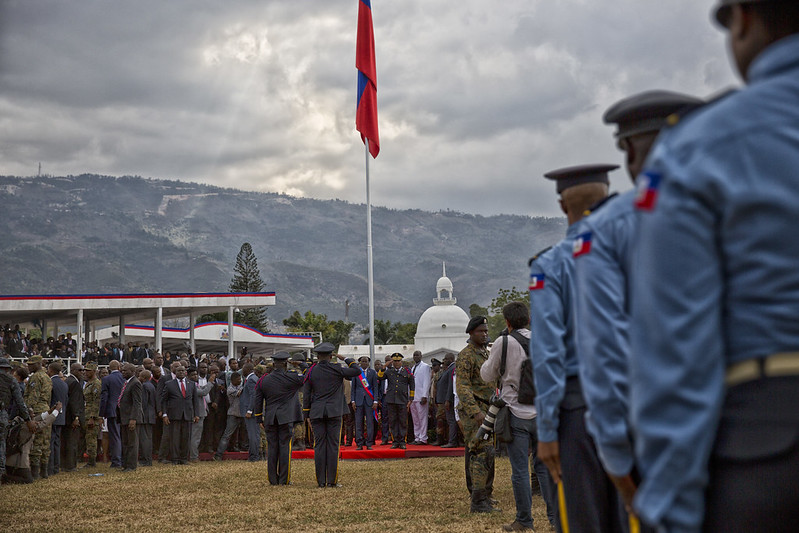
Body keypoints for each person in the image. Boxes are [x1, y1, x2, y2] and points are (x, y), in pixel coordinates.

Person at [628, 2, 799, 531]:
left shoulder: (700, 146)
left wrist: (670, 508)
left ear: (745, 19)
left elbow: (676, 346)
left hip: (772, 442)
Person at [572, 90, 703, 533]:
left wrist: (613, 449)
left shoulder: (607, 230)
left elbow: (604, 345)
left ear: (629, 153)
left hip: (669, 427)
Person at [530, 164, 625, 532]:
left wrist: (549, 429)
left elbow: (549, 352)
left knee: (584, 517)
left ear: (560, 205)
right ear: (608, 197)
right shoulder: (636, 254)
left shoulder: (551, 265)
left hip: (578, 409)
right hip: (635, 401)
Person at [481, 301, 555, 532]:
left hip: (515, 412)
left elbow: (487, 374)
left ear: (507, 322)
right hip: (542, 412)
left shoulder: (504, 342)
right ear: (529, 320)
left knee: (520, 470)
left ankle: (524, 521)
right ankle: (556, 520)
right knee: (544, 468)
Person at [455, 316, 499, 513]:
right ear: (471, 333)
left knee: (484, 452)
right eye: (481, 331)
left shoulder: (484, 353)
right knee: (481, 451)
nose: (485, 334)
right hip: (475, 412)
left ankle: (484, 494)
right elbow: (462, 387)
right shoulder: (466, 355)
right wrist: (475, 412)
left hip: (488, 409)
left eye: (486, 331)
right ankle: (478, 501)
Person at [302, 342, 361, 487]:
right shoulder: (337, 369)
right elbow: (357, 370)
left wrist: (306, 414)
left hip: (316, 412)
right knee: (333, 445)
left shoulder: (311, 371)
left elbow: (307, 393)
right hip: (334, 412)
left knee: (320, 445)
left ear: (317, 356)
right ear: (330, 356)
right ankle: (332, 481)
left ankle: (321, 481)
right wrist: (346, 359)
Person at [252, 351, 304, 485]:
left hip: (270, 417)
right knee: (285, 447)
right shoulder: (291, 378)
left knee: (272, 448)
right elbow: (307, 376)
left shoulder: (264, 379)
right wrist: (301, 364)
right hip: (286, 418)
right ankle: (284, 479)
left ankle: (272, 479)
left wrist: (259, 418)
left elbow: (257, 399)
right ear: (286, 363)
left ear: (274, 364)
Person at [0, 356, 36, 480]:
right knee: (1, 444)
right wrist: (28, 420)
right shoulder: (11, 381)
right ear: (7, 369)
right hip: (2, 414)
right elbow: (20, 403)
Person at [160, 364, 200, 465]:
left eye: (183, 371)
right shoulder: (169, 384)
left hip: (188, 414)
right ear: (175, 373)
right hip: (174, 415)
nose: (181, 372)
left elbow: (195, 400)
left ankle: (184, 459)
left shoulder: (191, 384)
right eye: (179, 371)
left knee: (186, 438)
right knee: (175, 438)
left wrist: (196, 414)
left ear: (186, 373)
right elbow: (163, 400)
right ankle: (175, 459)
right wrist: (164, 414)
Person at [377, 353, 415, 450]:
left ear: (401, 361)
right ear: (392, 362)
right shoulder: (389, 371)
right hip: (391, 400)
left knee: (402, 421)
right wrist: (384, 366)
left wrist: (411, 399)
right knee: (393, 421)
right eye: (395, 361)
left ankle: (402, 441)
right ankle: (395, 441)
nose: (396, 363)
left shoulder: (407, 371)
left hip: (402, 400)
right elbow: (380, 377)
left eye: (398, 361)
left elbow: (412, 385)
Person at [99, 359, 125, 468]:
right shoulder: (124, 378)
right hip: (124, 411)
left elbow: (104, 398)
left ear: (109, 369)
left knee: (115, 436)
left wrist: (101, 413)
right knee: (124, 436)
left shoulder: (106, 379)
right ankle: (123, 459)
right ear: (119, 368)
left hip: (112, 411)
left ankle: (116, 461)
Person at [214, 371, 245, 460]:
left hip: (241, 413)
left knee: (239, 434)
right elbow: (240, 393)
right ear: (232, 380)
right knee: (227, 435)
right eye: (238, 379)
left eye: (240, 379)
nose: (240, 380)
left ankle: (236, 447)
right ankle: (218, 454)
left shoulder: (240, 386)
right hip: (233, 414)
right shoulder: (230, 389)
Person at [117, 362, 142, 472]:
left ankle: (131, 466)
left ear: (132, 372)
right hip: (124, 417)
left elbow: (137, 403)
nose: (123, 372)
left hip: (131, 418)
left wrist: (133, 418)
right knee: (126, 442)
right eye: (122, 370)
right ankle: (126, 465)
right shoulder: (127, 382)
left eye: (125, 370)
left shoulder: (135, 383)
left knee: (132, 443)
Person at [350, 356, 379, 450]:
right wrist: (353, 401)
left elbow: (375, 387)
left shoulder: (373, 372)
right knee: (358, 423)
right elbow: (353, 388)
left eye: (366, 361)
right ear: (360, 363)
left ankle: (369, 443)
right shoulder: (356, 373)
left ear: (368, 363)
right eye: (363, 361)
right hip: (358, 401)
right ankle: (359, 443)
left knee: (370, 423)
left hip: (369, 401)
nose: (364, 363)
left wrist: (375, 400)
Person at [188, 365, 215, 463]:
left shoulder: (194, 384)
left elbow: (202, 388)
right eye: (193, 375)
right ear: (188, 376)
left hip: (202, 412)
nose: (195, 376)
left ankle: (193, 455)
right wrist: (210, 382)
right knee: (195, 437)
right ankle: (193, 457)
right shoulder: (190, 385)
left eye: (196, 374)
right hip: (197, 413)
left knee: (196, 436)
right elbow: (203, 392)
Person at [61, 362, 85, 472]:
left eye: (83, 370)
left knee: (66, 441)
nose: (83, 372)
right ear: (73, 370)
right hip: (71, 418)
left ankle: (65, 464)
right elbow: (74, 402)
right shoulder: (74, 383)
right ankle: (70, 466)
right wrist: (76, 418)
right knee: (72, 442)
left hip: (66, 417)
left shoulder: (68, 381)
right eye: (80, 370)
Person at [48, 361, 68, 476]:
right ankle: (56, 467)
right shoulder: (63, 383)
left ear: (50, 370)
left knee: (50, 442)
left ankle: (50, 468)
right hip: (61, 415)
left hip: (52, 415)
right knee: (57, 442)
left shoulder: (50, 383)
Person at [435, 354, 459, 448]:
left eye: (446, 359)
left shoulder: (452, 368)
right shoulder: (448, 369)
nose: (444, 360)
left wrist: (448, 400)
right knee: (448, 420)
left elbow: (450, 385)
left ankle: (452, 441)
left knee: (451, 420)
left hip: (448, 399)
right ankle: (449, 440)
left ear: (451, 359)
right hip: (444, 399)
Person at [408, 350, 432, 445]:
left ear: (421, 356)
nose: (416, 357)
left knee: (422, 418)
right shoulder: (413, 367)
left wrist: (425, 395)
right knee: (416, 419)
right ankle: (417, 437)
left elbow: (427, 381)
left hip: (421, 396)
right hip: (413, 397)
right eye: (414, 355)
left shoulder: (425, 367)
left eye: (417, 355)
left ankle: (423, 438)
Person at [81, 362, 102, 468]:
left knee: (91, 439)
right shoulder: (88, 383)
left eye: (88, 370)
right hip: (86, 413)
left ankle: (92, 461)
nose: (86, 372)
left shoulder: (96, 384)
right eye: (85, 370)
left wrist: (93, 417)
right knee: (87, 438)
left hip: (91, 415)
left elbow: (96, 401)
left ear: (94, 371)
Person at [138, 369, 156, 466]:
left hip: (145, 416)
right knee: (148, 438)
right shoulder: (151, 385)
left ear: (144, 378)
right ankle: (148, 459)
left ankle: (145, 460)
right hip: (151, 415)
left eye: (140, 376)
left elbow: (143, 402)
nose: (138, 378)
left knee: (144, 439)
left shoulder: (144, 386)